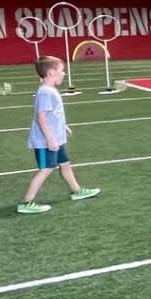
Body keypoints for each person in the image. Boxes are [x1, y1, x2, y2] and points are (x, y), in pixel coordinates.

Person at [17, 56, 100, 214]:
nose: (64, 74)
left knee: (65, 164)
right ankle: (26, 202)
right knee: (46, 169)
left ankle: (77, 191)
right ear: (51, 73)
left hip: (56, 139)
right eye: (61, 71)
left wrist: (63, 126)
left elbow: (52, 115)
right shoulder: (45, 93)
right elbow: (41, 118)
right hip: (46, 141)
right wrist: (49, 138)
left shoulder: (49, 90)